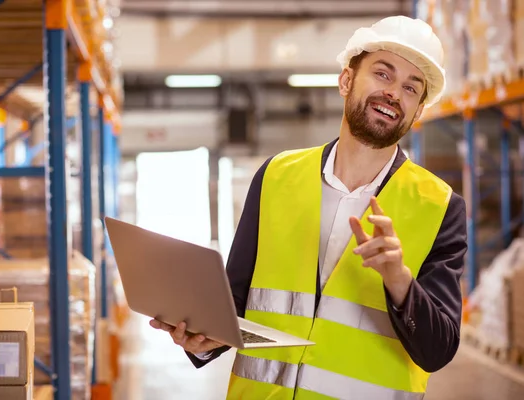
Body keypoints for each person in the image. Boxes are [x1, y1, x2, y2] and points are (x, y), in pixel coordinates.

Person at [150, 15, 467, 399]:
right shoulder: (276, 176)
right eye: (383, 75)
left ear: (417, 111)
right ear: (346, 80)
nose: (394, 94)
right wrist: (203, 341)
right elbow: (237, 300)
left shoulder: (439, 206)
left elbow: (438, 351)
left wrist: (399, 280)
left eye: (411, 88)